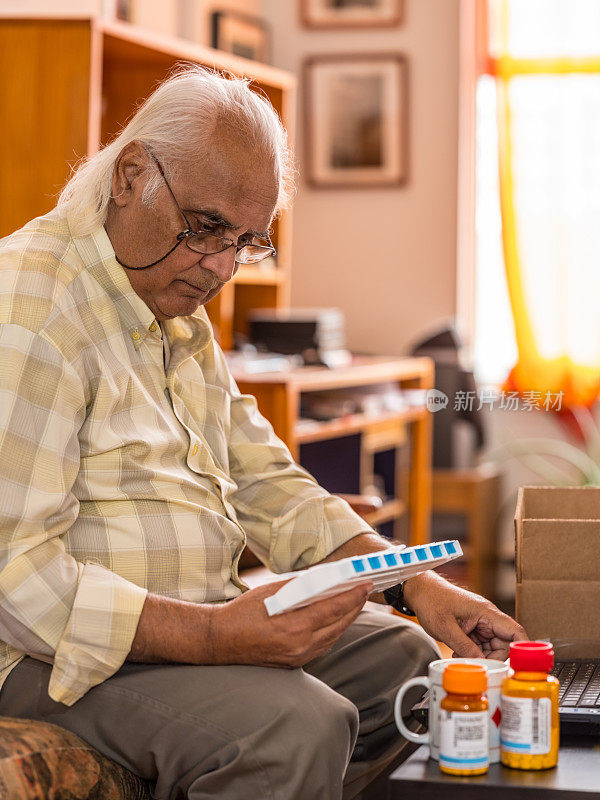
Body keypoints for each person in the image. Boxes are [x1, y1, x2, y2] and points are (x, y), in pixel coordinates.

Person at [0, 67, 526, 800]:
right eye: (207, 226)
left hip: (191, 620)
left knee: (405, 656)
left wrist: (414, 583)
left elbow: (263, 481)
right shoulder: (32, 310)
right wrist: (217, 638)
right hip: (44, 657)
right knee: (290, 726)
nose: (220, 266)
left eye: (245, 241)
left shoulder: (172, 303)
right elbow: (13, 575)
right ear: (129, 176)